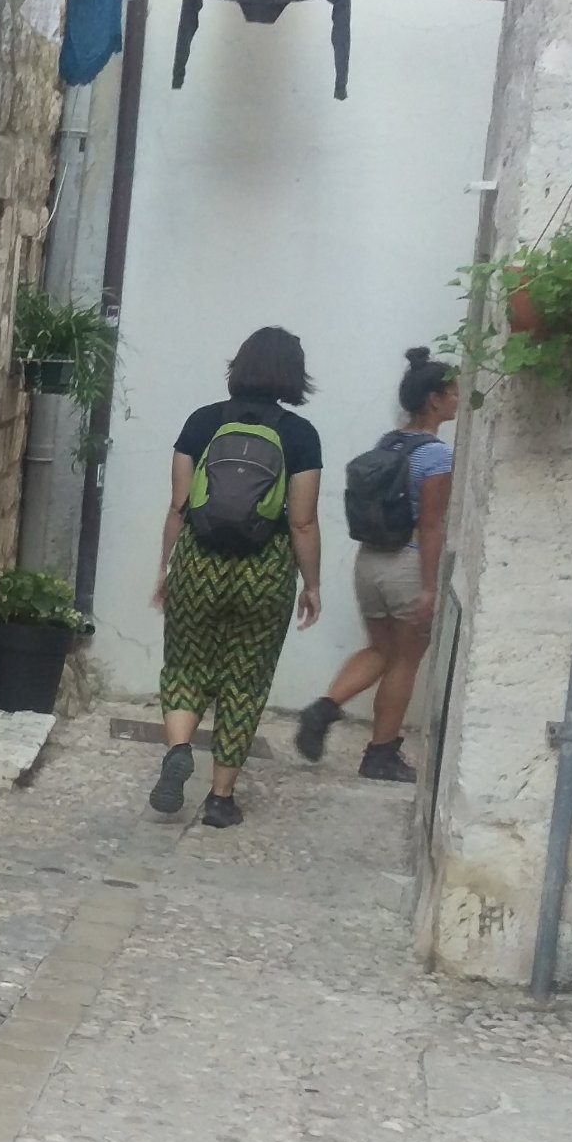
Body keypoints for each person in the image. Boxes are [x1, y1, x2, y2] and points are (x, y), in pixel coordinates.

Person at [149, 326, 326, 827]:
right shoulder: (300, 435)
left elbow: (179, 505)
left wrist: (166, 566)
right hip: (264, 570)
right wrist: (311, 584)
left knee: (185, 667)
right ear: (293, 375)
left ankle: (179, 749)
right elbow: (303, 521)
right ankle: (220, 799)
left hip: (199, 562)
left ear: (240, 365)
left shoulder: (202, 422)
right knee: (245, 681)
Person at [296, 348, 460, 779]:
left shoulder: (387, 443)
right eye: (453, 393)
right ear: (434, 400)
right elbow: (430, 525)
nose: (458, 401)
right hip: (407, 564)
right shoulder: (437, 457)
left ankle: (325, 706)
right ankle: (380, 754)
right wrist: (430, 587)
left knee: (380, 650)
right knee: (405, 660)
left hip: (369, 562)